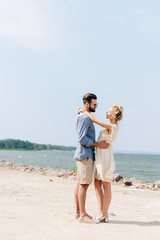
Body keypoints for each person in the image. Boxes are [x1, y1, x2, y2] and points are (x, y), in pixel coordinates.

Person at [78, 104, 123, 223]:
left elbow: (94, 119)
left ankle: (104, 213)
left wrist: (83, 110)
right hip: (100, 156)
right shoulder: (111, 125)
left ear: (113, 115)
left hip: (105, 156)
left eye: (108, 112)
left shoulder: (112, 126)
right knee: (97, 183)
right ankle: (101, 211)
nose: (106, 113)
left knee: (106, 184)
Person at [74, 93, 109, 223]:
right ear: (87, 104)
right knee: (83, 184)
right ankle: (82, 214)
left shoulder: (83, 116)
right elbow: (82, 138)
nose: (96, 107)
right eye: (94, 104)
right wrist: (98, 144)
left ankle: (78, 212)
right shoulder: (85, 118)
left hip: (83, 154)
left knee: (80, 184)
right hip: (85, 155)